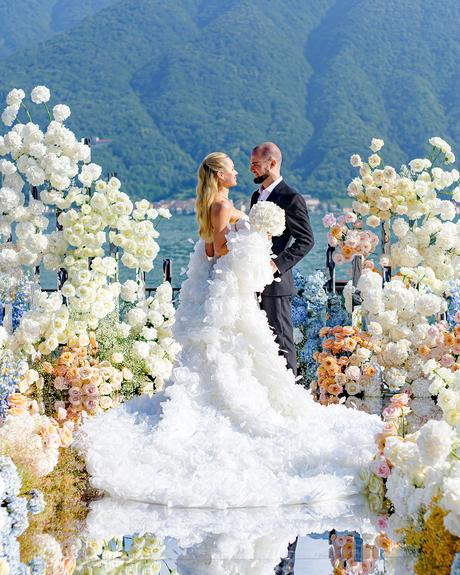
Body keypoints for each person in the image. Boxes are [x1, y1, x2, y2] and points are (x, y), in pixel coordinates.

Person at [80, 152, 382, 508]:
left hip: (244, 289)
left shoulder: (236, 202)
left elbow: (287, 241)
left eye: (250, 163)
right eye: (234, 168)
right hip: (232, 291)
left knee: (254, 350)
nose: (242, 170)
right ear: (220, 175)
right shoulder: (225, 206)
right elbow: (220, 251)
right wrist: (254, 239)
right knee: (241, 352)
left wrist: (260, 245)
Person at [250, 142, 314, 375]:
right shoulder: (255, 196)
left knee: (282, 345)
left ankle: (292, 397)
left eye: (256, 164)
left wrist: (275, 264)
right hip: (253, 281)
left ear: (272, 163)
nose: (252, 169)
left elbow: (306, 240)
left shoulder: (291, 197)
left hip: (276, 285)